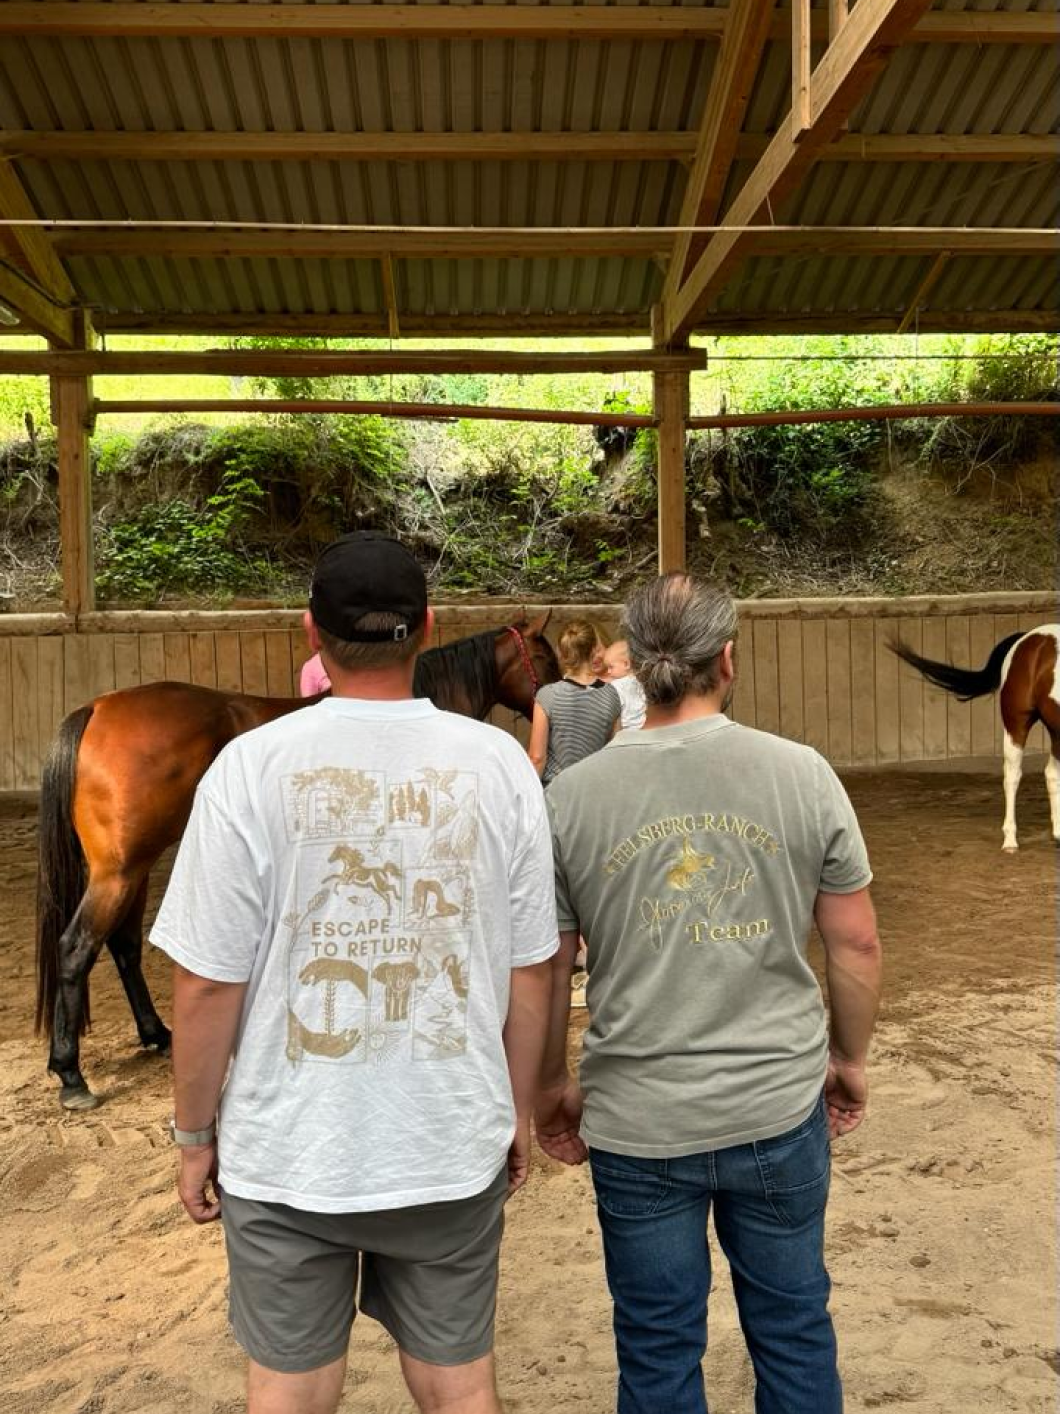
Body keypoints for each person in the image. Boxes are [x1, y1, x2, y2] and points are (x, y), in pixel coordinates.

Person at [150, 530, 558, 1414]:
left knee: (288, 1393)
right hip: (448, 1142)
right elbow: (534, 968)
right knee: (461, 1387)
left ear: (311, 632)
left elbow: (208, 983)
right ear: (428, 627)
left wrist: (193, 1136)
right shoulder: (499, 767)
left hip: (291, 1155)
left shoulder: (249, 769)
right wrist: (516, 1109)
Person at [535, 573, 881, 1414]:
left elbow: (548, 965)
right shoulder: (802, 773)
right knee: (795, 1326)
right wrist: (848, 1055)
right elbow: (856, 940)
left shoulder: (571, 799)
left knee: (656, 1345)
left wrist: (548, 1087)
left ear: (634, 671)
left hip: (638, 1118)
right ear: (726, 659)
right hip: (775, 1104)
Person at [527, 619, 622, 787]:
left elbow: (537, 758)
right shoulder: (611, 694)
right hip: (592, 790)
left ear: (560, 653)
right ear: (594, 649)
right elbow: (614, 751)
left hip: (555, 790)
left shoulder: (548, 695)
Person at [602, 637, 647, 731]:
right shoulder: (643, 679)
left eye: (611, 667)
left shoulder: (615, 686)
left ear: (626, 664)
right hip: (645, 727)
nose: (608, 671)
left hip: (626, 731)